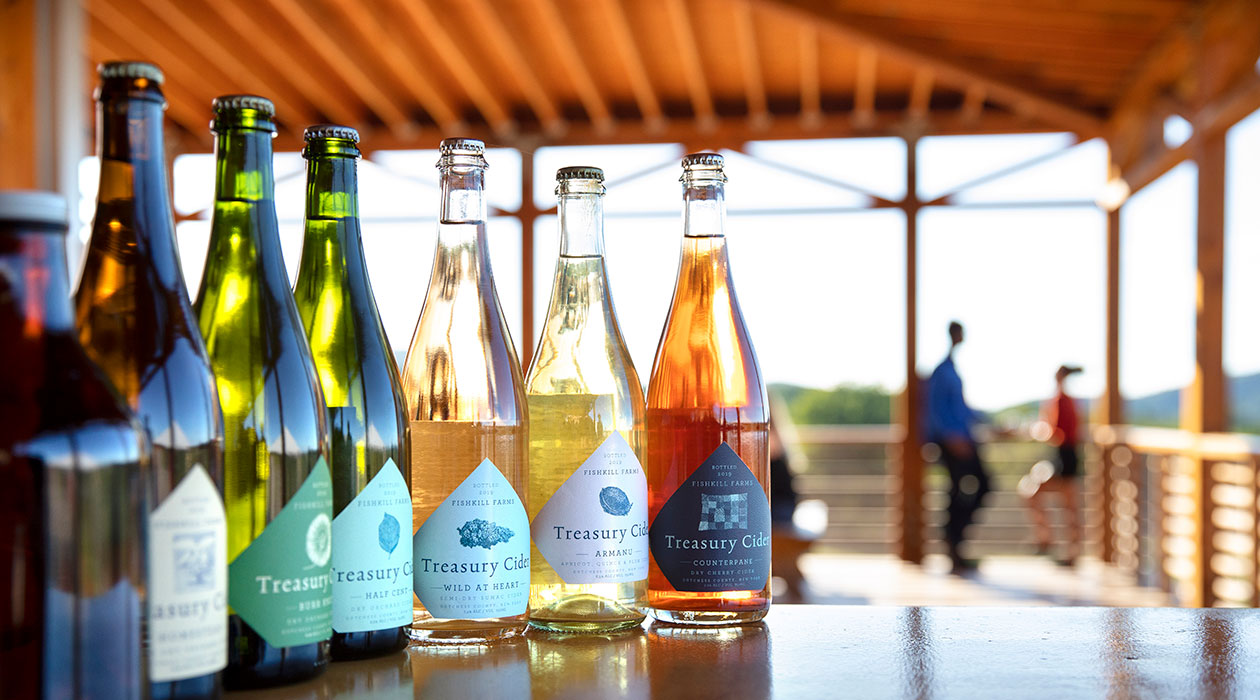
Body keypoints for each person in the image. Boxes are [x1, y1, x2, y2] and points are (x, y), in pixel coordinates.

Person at [926, 321, 991, 574]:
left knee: (974, 488)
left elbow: (961, 408)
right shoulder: (942, 370)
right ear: (954, 335)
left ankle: (955, 541)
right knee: (962, 489)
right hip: (953, 442)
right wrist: (951, 436)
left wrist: (988, 422)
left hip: (965, 439)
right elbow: (936, 409)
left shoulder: (950, 368)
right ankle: (952, 543)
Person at [1020, 365, 1084, 566]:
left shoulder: (1061, 400)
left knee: (1064, 504)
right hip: (1065, 456)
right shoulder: (1066, 400)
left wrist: (1037, 431)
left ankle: (1055, 543)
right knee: (1062, 503)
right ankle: (1052, 542)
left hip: (1064, 456)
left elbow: (1058, 433)